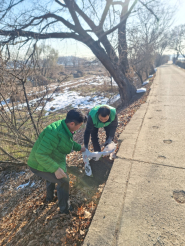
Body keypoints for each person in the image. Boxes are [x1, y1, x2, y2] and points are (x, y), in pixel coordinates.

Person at [27, 109, 86, 214]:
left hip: (49, 159)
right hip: (38, 163)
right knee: (63, 180)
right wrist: (56, 168)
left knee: (52, 176)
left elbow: (66, 143)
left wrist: (80, 148)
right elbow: (40, 154)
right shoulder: (54, 132)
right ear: (72, 123)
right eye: (79, 125)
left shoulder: (65, 128)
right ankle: (65, 209)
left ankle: (50, 198)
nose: (79, 128)